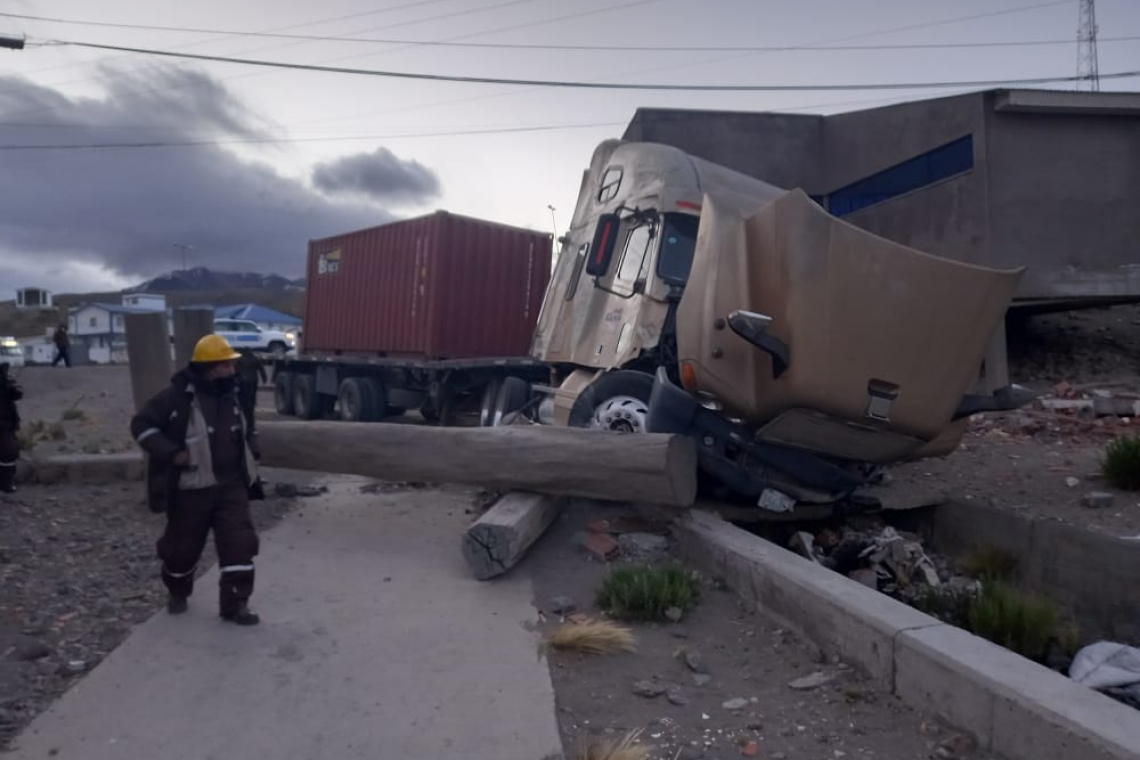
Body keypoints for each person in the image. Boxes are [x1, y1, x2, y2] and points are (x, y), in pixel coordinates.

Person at [130, 334, 264, 625]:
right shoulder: (176, 397)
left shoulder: (236, 394)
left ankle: (236, 605)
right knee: (181, 550)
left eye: (231, 365)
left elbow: (247, 426)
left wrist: (251, 448)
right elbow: (141, 426)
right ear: (208, 368)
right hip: (192, 488)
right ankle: (178, 591)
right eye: (225, 366)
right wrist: (171, 453)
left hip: (231, 485)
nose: (231, 370)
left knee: (240, 544)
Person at [0, 363, 22, 494]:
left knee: (9, 451)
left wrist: (10, 387)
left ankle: (6, 483)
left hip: (5, 422)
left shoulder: (5, 378)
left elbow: (18, 394)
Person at [234, 348, 267, 431]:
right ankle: (251, 424)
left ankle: (243, 421)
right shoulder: (255, 359)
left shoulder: (240, 360)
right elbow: (261, 370)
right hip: (253, 381)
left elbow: (235, 371)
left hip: (242, 383)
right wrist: (264, 379)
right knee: (251, 401)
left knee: (243, 402)